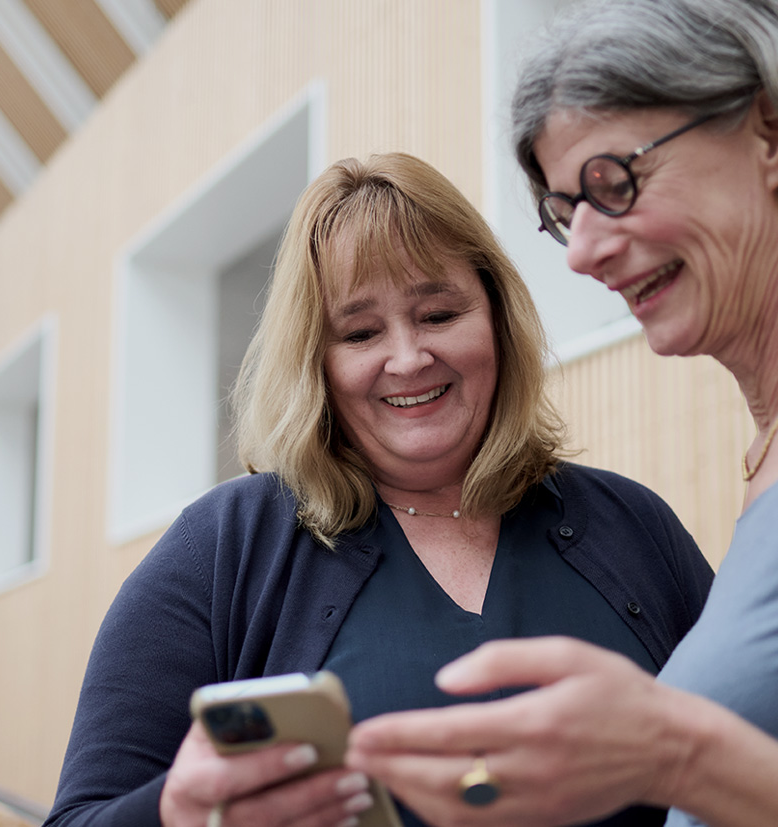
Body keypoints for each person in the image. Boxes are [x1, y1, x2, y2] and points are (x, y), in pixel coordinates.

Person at [43, 151, 713, 827]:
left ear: (497, 319)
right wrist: (179, 812)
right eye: (360, 332)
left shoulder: (633, 526)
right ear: (316, 362)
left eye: (439, 314)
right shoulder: (226, 547)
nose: (408, 357)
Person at [345, 2, 778, 826]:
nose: (581, 251)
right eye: (564, 212)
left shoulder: (628, 522)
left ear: (766, 128)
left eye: (614, 182)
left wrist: (672, 753)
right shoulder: (761, 459)